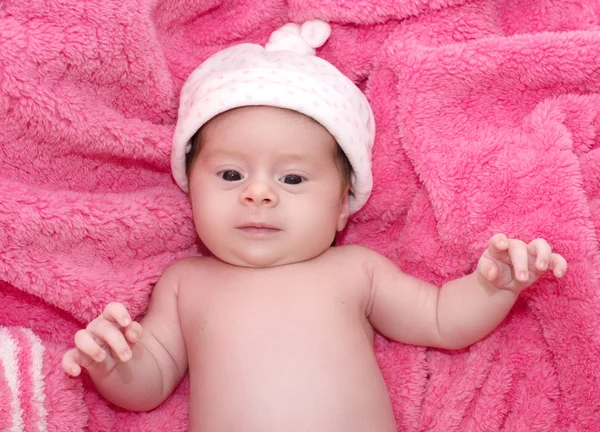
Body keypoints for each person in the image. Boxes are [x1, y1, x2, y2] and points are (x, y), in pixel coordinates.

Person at [62, 20, 567, 431]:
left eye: (294, 177)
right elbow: (150, 383)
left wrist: (492, 286)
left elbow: (440, 319)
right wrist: (115, 364)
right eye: (231, 173)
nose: (257, 193)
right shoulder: (186, 283)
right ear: (190, 188)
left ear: (343, 205)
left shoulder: (356, 271)